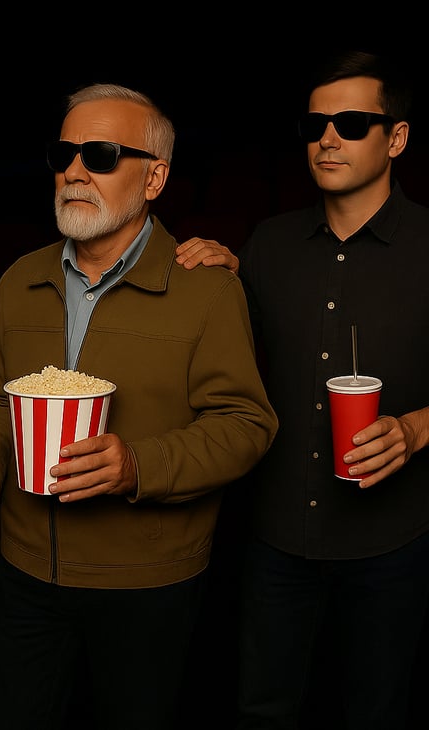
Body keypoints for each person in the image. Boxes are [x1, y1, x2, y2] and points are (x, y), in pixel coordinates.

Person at [0, 82, 278, 730]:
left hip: (148, 586)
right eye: (63, 154)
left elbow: (247, 424)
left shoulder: (207, 291)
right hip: (25, 574)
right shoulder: (18, 280)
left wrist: (136, 467)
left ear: (154, 178)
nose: (73, 171)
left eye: (99, 155)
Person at [176, 50, 429, 730]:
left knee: (376, 712)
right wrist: (220, 283)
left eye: (352, 123)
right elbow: (235, 361)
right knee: (261, 710)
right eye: (316, 126)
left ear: (397, 138)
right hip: (276, 538)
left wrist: (415, 429)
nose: (328, 139)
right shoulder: (268, 244)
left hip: (392, 543)